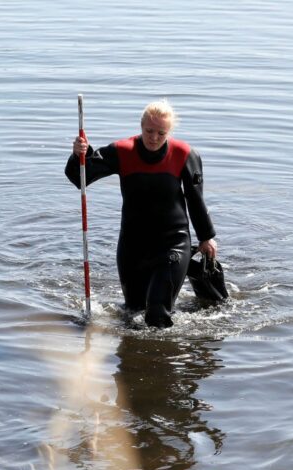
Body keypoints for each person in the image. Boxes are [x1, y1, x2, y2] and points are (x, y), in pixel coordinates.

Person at [66, 99, 218, 327]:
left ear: (169, 132)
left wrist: (206, 237)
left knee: (157, 314)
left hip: (173, 242)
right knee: (132, 315)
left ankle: (161, 359)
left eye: (161, 132)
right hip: (132, 247)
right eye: (149, 131)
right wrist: (78, 155)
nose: (154, 137)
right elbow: (80, 178)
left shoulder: (184, 155)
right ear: (141, 126)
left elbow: (195, 200)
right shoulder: (122, 151)